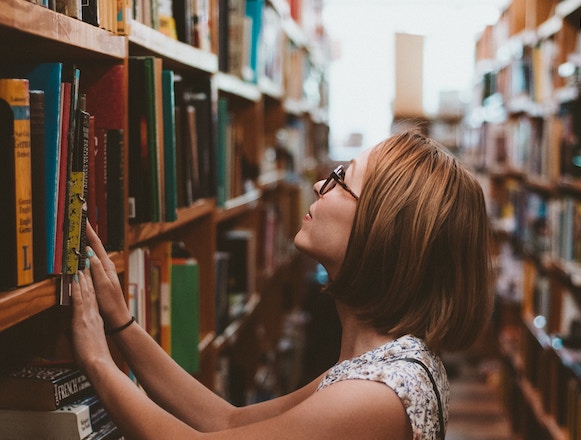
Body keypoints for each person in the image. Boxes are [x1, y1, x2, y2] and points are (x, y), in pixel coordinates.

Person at [70, 129, 493, 440]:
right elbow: (226, 421)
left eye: (341, 179)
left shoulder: (377, 395)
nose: (318, 185)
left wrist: (96, 361)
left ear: (383, 230)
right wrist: (122, 324)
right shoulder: (379, 364)